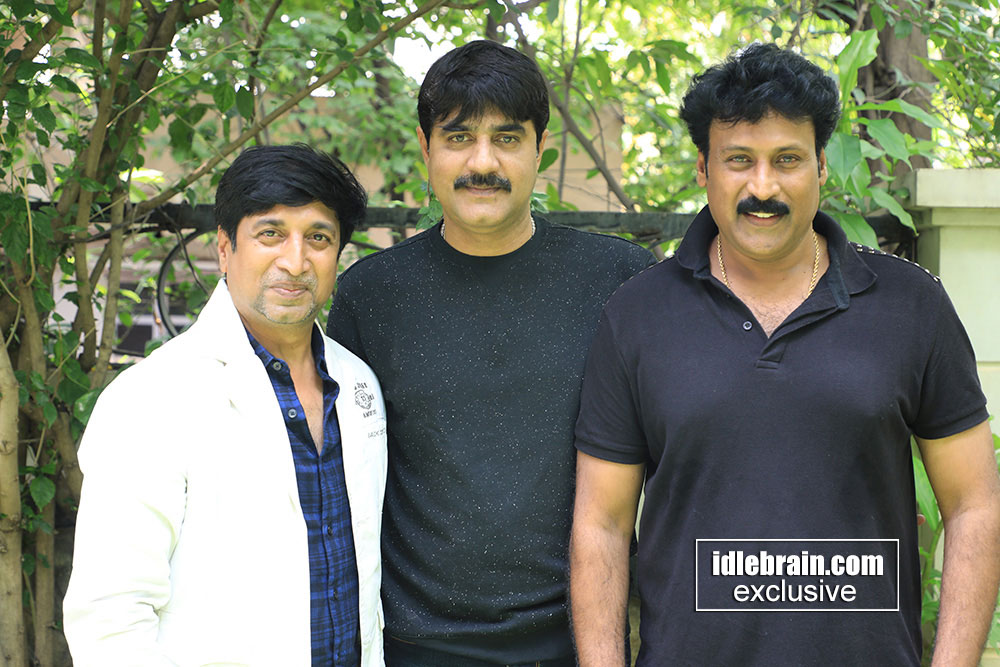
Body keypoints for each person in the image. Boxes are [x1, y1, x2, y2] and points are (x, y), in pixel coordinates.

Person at [570, 42, 1000, 666]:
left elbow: (974, 506)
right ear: (704, 169)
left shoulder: (912, 306)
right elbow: (601, 526)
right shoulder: (637, 315)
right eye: (739, 160)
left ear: (822, 166)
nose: (763, 186)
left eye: (788, 159)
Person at [327, 40, 655, 666]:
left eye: (507, 138)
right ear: (425, 148)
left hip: (576, 641)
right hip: (413, 646)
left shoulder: (619, 281)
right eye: (458, 138)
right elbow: (342, 481)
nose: (483, 162)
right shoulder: (373, 295)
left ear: (540, 148)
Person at [64, 144, 387, 666]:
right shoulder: (149, 399)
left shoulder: (357, 385)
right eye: (270, 234)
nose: (295, 261)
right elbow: (111, 618)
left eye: (318, 238)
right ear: (223, 247)